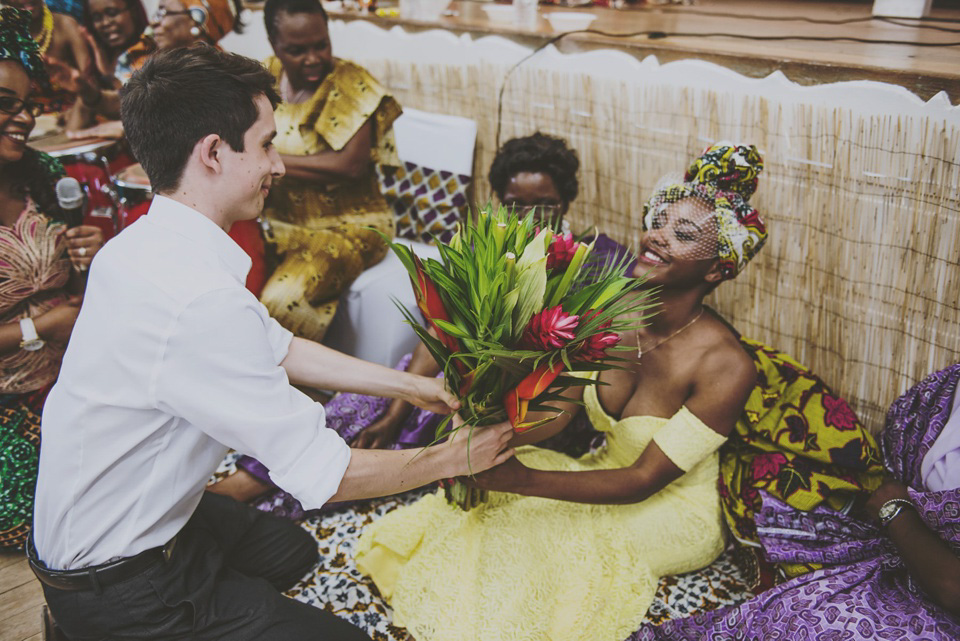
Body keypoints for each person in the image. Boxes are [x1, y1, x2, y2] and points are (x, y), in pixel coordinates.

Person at [28, 45, 513, 640]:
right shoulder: (197, 301)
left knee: (292, 552)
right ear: (212, 152)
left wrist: (411, 385)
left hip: (101, 527)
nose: (278, 165)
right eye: (264, 144)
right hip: (122, 584)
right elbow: (324, 475)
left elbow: (276, 346)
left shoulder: (139, 245)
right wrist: (454, 457)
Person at [351, 143, 767, 641]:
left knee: (537, 531)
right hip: (600, 472)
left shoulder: (727, 365)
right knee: (488, 509)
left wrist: (519, 479)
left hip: (668, 508)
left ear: (718, 269)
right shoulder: (614, 310)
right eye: (659, 220)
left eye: (684, 235)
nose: (656, 236)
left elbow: (641, 480)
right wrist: (486, 434)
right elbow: (562, 412)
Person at [210, 132, 626, 515]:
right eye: (515, 205)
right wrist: (397, 409)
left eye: (545, 205)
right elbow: (440, 334)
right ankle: (239, 488)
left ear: (566, 201)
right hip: (450, 377)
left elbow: (587, 364)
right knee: (356, 410)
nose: (530, 217)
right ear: (499, 201)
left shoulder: (597, 263)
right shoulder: (487, 249)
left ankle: (267, 509)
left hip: (533, 402)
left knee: (399, 460)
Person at [633, 363, 960, 640]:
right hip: (897, 540)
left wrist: (897, 513)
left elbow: (952, 589)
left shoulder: (726, 360)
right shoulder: (943, 390)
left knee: (816, 623)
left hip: (931, 574)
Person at [0, 6, 103, 549]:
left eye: (28, 106)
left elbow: (82, 291)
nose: (23, 119)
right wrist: (41, 328)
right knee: (39, 514)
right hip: (7, 403)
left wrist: (92, 253)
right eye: (4, 105)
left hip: (72, 380)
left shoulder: (44, 173)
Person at [256, 0, 401, 343]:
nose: (313, 58)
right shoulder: (262, 78)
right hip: (275, 225)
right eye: (296, 50)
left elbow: (349, 166)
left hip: (348, 226)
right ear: (275, 45)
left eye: (320, 44)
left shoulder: (351, 84)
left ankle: (289, 388)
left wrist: (264, 159)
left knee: (280, 301)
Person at [60, 0, 241, 133]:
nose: (154, 22)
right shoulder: (163, 65)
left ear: (197, 21)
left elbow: (182, 128)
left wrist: (122, 129)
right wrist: (88, 92)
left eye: (163, 13)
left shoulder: (214, 73)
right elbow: (126, 102)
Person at [5, 0, 90, 113]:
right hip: (20, 116)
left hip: (72, 113)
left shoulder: (66, 25)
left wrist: (75, 115)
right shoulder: (4, 33)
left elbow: (90, 83)